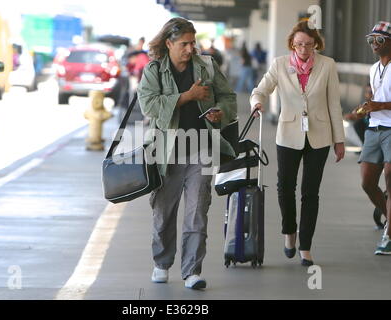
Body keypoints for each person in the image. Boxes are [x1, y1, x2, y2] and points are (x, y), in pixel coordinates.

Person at [137, 17, 237, 289]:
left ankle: (192, 270)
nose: (190, 49)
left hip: (202, 150)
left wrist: (221, 113)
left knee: (197, 213)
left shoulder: (207, 65)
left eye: (193, 43)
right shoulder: (155, 70)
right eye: (184, 44)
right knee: (163, 213)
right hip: (166, 153)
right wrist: (187, 97)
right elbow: (148, 105)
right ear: (169, 43)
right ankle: (161, 262)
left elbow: (228, 97)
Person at [251, 20, 345, 266]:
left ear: (316, 44)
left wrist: (339, 140)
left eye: (309, 45)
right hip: (288, 133)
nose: (304, 49)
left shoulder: (327, 65)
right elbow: (261, 90)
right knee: (285, 187)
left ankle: (306, 246)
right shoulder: (279, 64)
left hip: (320, 135)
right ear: (292, 43)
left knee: (310, 192)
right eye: (299, 44)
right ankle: (289, 232)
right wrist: (257, 103)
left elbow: (334, 104)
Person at [351, 21, 391, 255]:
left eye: (380, 40)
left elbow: (381, 102)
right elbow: (377, 98)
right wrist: (368, 107)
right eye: (371, 40)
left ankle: (388, 236)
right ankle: (388, 219)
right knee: (367, 182)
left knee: (389, 177)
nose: (374, 44)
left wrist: (380, 105)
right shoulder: (374, 68)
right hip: (374, 129)